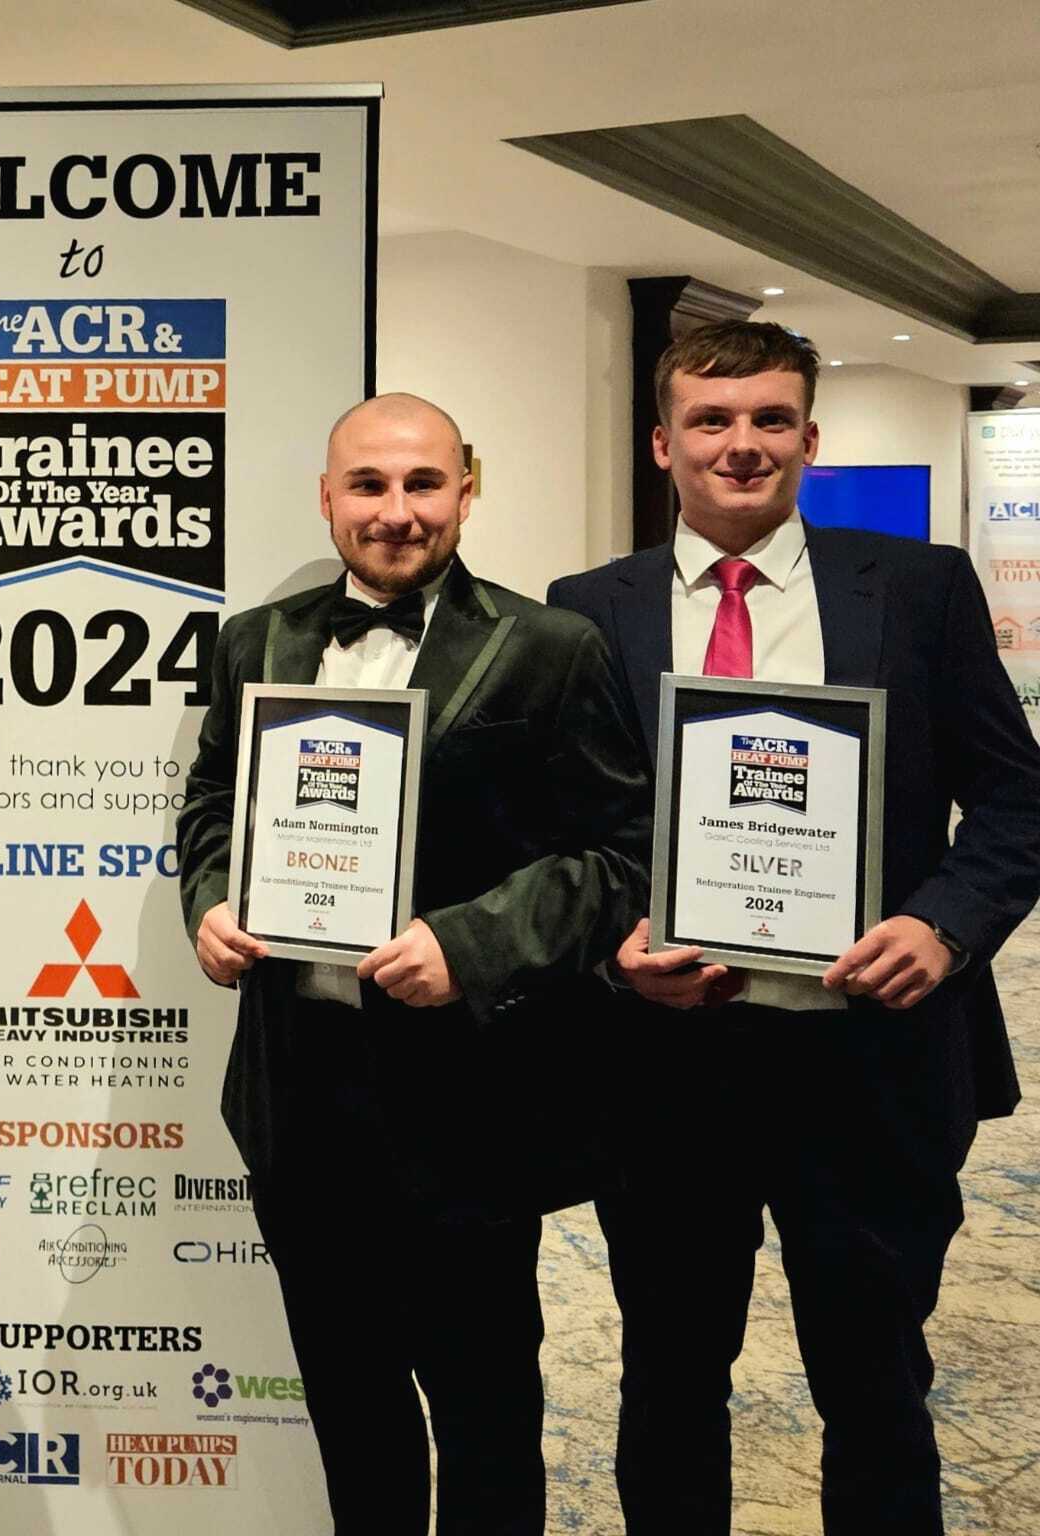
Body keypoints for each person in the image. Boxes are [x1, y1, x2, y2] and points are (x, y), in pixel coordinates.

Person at [547, 319, 1040, 1534]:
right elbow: (561, 828)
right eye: (711, 421)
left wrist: (943, 924)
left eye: (770, 419)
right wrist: (613, 946)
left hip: (868, 1057)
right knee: (667, 1378)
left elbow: (1017, 795)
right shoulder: (582, 610)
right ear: (662, 443)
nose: (741, 444)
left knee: (874, 1382)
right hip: (668, 1068)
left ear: (808, 439)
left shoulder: (915, 588)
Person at [174, 392, 652, 1534]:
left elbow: (620, 856)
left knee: (485, 1407)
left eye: (422, 484)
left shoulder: (549, 646)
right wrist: (210, 903)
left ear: (464, 490)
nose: (396, 512)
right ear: (327, 497)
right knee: (347, 1404)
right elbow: (208, 807)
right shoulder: (256, 639)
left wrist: (468, 940)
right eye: (369, 485)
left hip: (469, 1095)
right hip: (300, 1090)